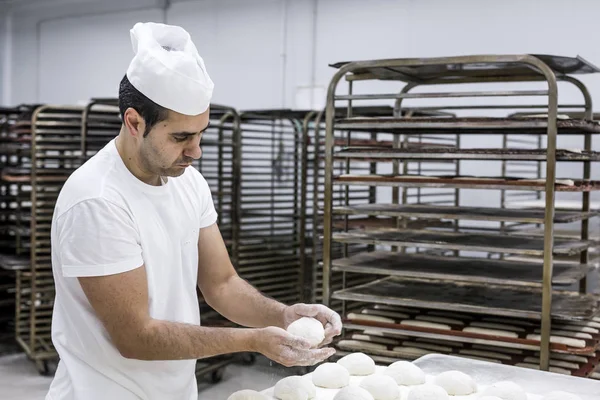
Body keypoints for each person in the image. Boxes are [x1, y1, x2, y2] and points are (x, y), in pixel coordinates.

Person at [46, 21, 341, 400]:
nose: (195, 151)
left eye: (200, 133)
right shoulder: (97, 201)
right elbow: (136, 337)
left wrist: (281, 316)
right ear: (134, 122)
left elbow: (221, 284)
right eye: (181, 137)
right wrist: (253, 341)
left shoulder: (188, 181)